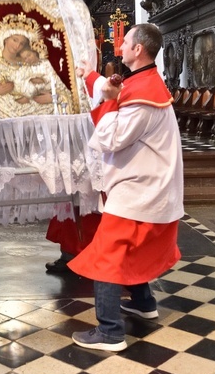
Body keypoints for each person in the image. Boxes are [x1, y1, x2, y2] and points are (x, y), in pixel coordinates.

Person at [68, 23, 184, 352]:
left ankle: (109, 331)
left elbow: (112, 138)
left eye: (126, 41)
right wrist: (92, 77)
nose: (120, 46)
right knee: (129, 249)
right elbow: (118, 98)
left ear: (138, 50)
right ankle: (143, 302)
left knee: (108, 255)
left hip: (140, 189)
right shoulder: (144, 83)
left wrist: (103, 103)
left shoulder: (144, 93)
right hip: (144, 185)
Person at [0, 13, 72, 119]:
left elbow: (60, 89)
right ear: (6, 38)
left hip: (35, 118)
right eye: (15, 40)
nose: (17, 46)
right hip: (1, 121)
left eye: (22, 43)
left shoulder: (36, 63)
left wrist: (54, 98)